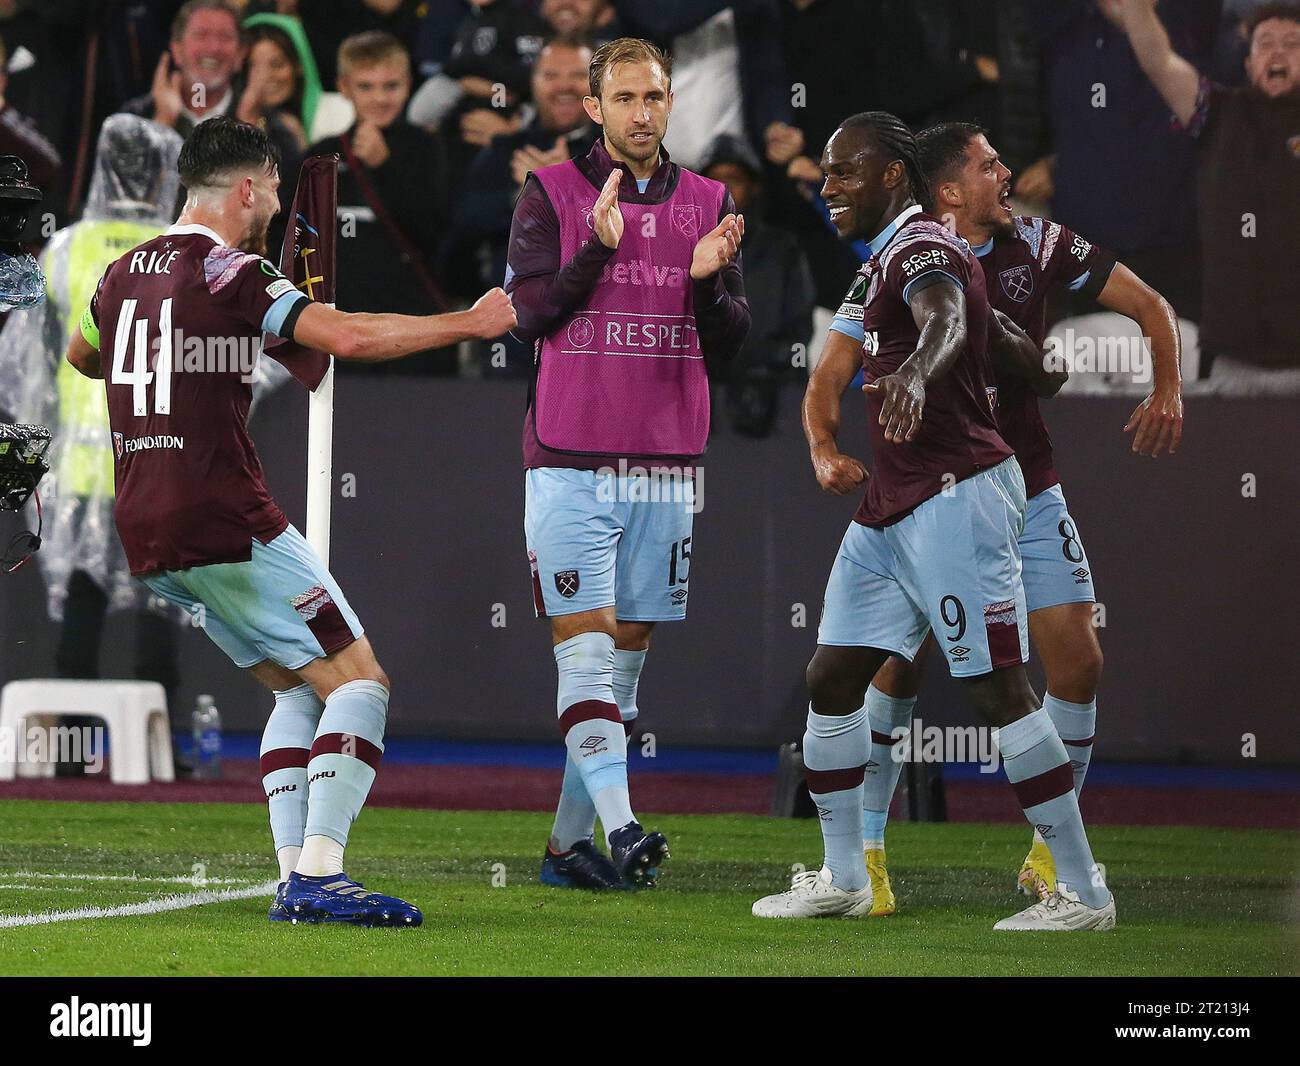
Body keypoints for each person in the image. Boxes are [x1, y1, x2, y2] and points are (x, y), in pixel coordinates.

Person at [64, 116, 516, 926]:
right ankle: (321, 873)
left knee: (300, 689)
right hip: (222, 512)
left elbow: (81, 353)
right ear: (247, 186)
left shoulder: (119, 272)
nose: (276, 198)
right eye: (272, 184)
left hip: (147, 527)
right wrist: (468, 323)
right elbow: (340, 335)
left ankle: (292, 874)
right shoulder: (231, 269)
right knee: (361, 681)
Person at [751, 112, 1114, 931]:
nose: (828, 186)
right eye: (826, 173)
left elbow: (945, 312)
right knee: (832, 680)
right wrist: (1024, 363)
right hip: (897, 500)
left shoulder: (921, 250)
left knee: (996, 689)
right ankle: (846, 876)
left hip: (957, 494)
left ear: (890, 177)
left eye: (844, 172)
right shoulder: (895, 257)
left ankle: (1084, 892)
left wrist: (917, 368)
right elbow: (1007, 343)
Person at [849, 121, 1183, 914]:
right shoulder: (898, 259)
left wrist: (1167, 388)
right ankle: (863, 856)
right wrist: (825, 440)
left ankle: (1048, 858)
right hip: (935, 493)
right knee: (896, 664)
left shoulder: (1038, 242)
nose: (1009, 173)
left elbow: (1151, 305)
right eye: (989, 164)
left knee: (1079, 660)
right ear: (949, 191)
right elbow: (832, 356)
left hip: (1026, 485)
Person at [505, 37, 750, 890]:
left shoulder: (713, 200)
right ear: (593, 108)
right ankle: (624, 826)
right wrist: (596, 252)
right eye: (626, 98)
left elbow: (731, 341)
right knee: (586, 645)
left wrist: (709, 283)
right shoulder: (551, 192)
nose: (643, 113)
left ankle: (567, 847)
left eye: (655, 97)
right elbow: (527, 313)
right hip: (570, 454)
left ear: (670, 102)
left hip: (668, 460)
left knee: (629, 647)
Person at [0, 115, 182, 771]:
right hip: (159, 455)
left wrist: (33, 446)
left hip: (81, 459)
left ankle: (73, 754)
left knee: (82, 602)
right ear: (165, 173)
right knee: (165, 601)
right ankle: (162, 752)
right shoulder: (180, 248)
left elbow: (23, 356)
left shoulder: (69, 247)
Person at [1104, 0, 1300, 390]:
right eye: (1265, 43)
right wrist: (1138, 8)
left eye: (1293, 43)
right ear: (1248, 64)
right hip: (1234, 357)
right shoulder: (1218, 113)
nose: (1277, 52)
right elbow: (1159, 62)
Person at [311, 31, 455, 374]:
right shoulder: (320, 155)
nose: (379, 98)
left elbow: (435, 231)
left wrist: (384, 167)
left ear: (407, 85)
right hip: (340, 331)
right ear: (344, 87)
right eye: (366, 87)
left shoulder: (428, 148)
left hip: (413, 326)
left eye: (390, 86)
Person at [453, 36, 597, 351]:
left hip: (596, 324)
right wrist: (524, 196)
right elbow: (463, 222)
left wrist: (567, 189)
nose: (564, 86)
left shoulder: (615, 154)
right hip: (512, 330)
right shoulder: (506, 149)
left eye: (576, 75)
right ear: (533, 83)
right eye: (551, 76)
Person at [698, 132, 814, 437]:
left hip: (776, 400)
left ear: (754, 187)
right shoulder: (681, 250)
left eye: (734, 178)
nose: (724, 189)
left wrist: (761, 373)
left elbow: (799, 332)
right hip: (700, 397)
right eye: (714, 180)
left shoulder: (784, 249)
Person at [123, 1, 247, 137]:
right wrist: (163, 122)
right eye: (201, 35)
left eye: (225, 37)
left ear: (240, 54)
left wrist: (248, 125)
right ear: (176, 50)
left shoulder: (259, 119)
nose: (213, 48)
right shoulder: (134, 118)